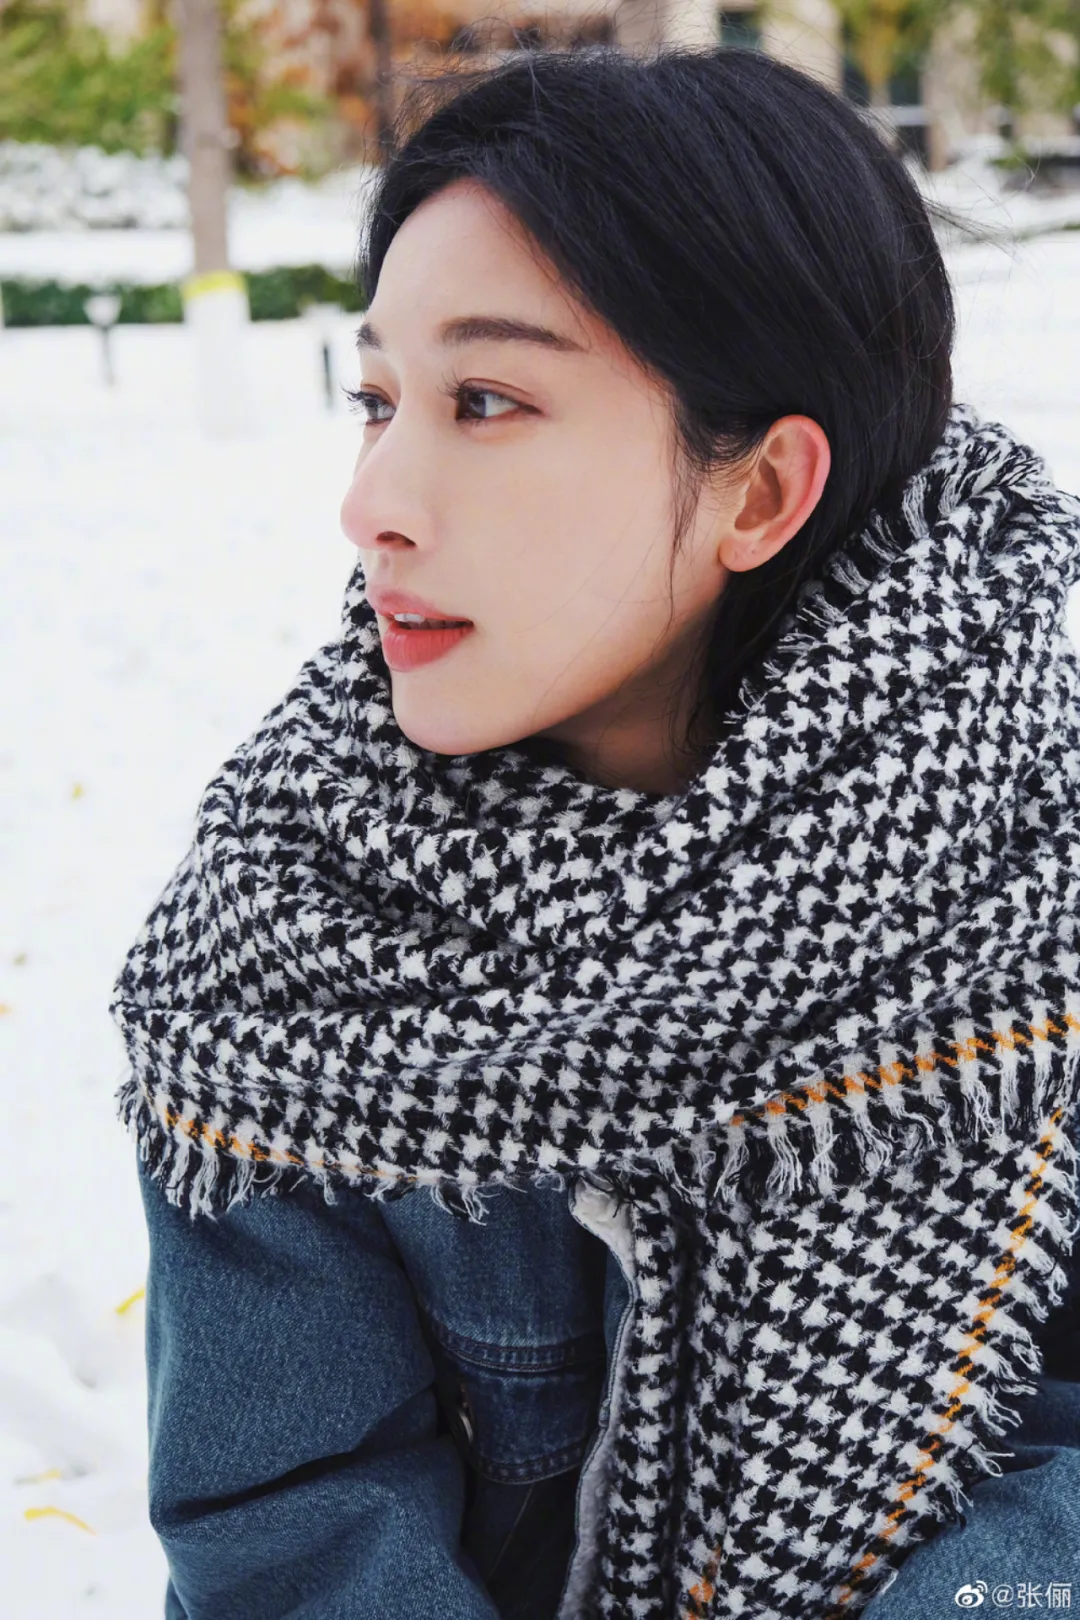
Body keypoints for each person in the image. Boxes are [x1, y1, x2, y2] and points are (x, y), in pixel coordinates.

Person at [113, 45, 1080, 1620]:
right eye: (378, 400)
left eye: (486, 400)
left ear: (760, 490)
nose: (371, 504)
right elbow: (290, 1531)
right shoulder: (290, 946)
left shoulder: (1028, 876)